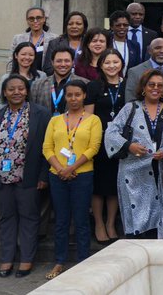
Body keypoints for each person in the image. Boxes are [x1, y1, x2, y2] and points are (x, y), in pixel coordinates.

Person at [0, 75, 50, 279]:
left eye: (20, 88)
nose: (16, 92)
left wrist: (44, 174)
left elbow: (48, 147)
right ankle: (7, 258)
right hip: (1, 178)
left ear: (27, 91)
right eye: (11, 89)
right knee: (6, 218)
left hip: (29, 177)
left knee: (29, 218)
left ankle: (26, 259)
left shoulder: (41, 114)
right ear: (4, 92)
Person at [104, 69, 163, 239]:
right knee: (136, 221)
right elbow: (111, 133)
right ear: (144, 87)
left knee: (158, 218)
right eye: (151, 84)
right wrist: (129, 145)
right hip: (132, 172)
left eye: (160, 85)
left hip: (159, 171)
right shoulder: (130, 108)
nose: (155, 88)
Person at [41, 79, 101, 279]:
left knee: (81, 219)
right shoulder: (55, 120)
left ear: (84, 96)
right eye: (69, 95)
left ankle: (83, 261)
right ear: (64, 97)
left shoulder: (93, 120)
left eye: (77, 94)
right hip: (57, 176)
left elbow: (93, 147)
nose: (73, 98)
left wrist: (72, 167)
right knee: (61, 220)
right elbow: (47, 148)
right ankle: (59, 261)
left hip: (82, 175)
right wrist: (60, 169)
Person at [89, 49, 127, 243]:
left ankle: (111, 223)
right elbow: (89, 118)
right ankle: (98, 223)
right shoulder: (94, 86)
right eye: (107, 63)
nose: (112, 66)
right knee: (99, 186)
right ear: (100, 65)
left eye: (115, 62)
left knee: (114, 185)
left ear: (121, 64)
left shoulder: (128, 85)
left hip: (120, 143)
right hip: (99, 143)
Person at [126, 38, 163, 102]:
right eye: (157, 48)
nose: (162, 51)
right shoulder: (135, 71)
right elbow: (130, 100)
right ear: (150, 51)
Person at [31, 49, 86, 115]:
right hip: (45, 125)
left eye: (67, 61)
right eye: (59, 61)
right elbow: (32, 111)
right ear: (52, 62)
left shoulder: (85, 84)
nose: (63, 64)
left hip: (74, 124)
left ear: (73, 62)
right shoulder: (37, 85)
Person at [12, 6, 57, 72]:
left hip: (45, 79)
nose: (35, 21)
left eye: (38, 18)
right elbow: (12, 61)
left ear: (44, 19)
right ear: (27, 20)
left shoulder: (54, 39)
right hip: (23, 78)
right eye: (31, 19)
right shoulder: (18, 39)